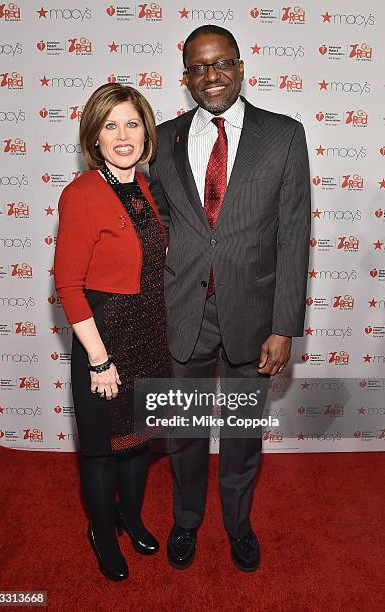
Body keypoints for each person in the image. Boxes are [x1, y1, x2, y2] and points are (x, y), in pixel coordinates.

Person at [149, 25, 311, 572]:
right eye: (198, 67)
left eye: (220, 64)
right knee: (184, 432)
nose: (210, 76)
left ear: (241, 67)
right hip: (184, 314)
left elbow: (293, 233)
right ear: (186, 78)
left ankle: (238, 525)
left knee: (242, 436)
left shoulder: (284, 135)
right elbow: (164, 226)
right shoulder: (166, 140)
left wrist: (284, 325)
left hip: (253, 316)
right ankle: (187, 520)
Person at [54, 83, 170, 581]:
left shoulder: (145, 186)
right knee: (102, 450)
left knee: (138, 441)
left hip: (149, 334)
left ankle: (130, 516)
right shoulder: (81, 194)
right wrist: (100, 360)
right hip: (104, 338)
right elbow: (68, 285)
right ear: (94, 137)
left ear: (146, 131)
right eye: (110, 125)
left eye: (132, 123)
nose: (123, 135)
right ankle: (102, 530)